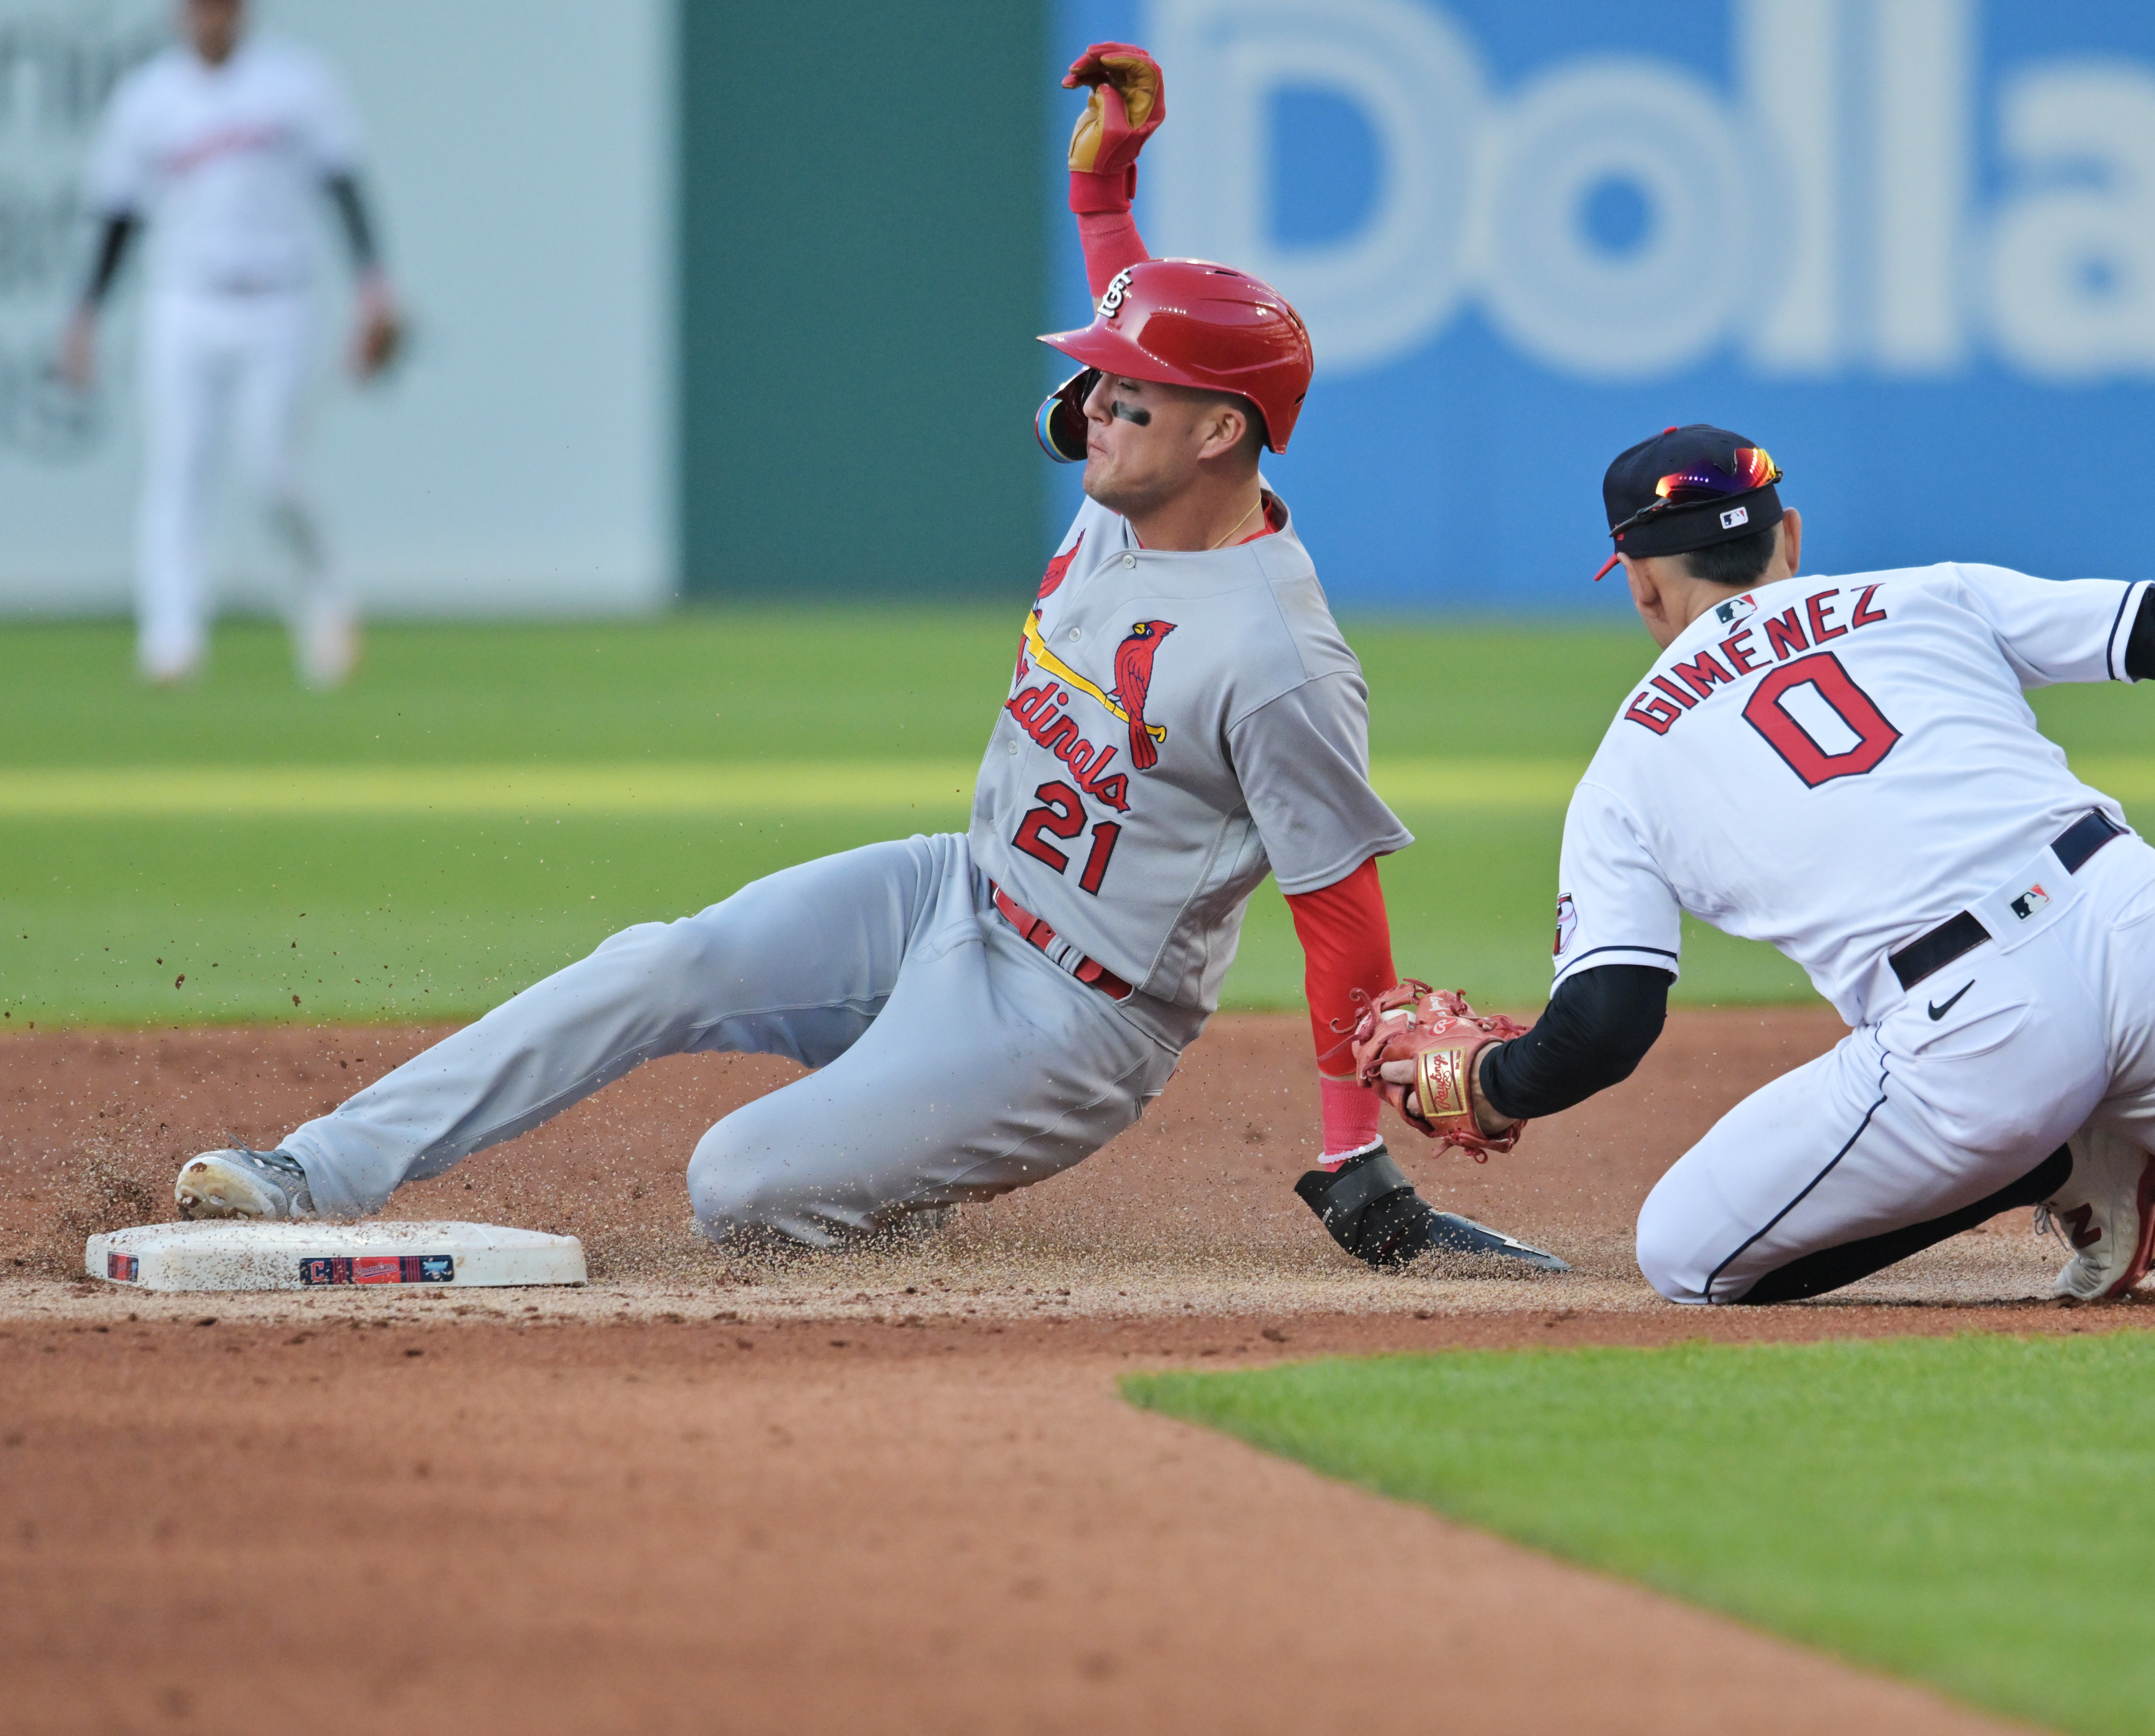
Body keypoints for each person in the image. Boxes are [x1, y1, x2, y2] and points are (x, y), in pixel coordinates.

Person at [168, 42, 1563, 1278]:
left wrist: (1351, 1154)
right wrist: (1103, 195)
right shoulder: (1133, 481)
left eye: (1127, 394)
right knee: (665, 960)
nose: (1091, 408)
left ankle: (897, 1165)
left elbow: (1338, 912)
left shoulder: (1275, 657)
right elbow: (1141, 331)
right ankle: (318, 1167)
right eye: (1097, 380)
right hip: (949, 890)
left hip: (1073, 1023)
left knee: (737, 1188)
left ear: (1218, 438)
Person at [1376, 424, 2155, 1317]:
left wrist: (1490, 1081)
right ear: (1789, 538)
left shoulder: (1627, 762)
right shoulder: (1924, 594)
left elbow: (1607, 1023)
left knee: (1685, 1254)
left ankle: (2063, 1154)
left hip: (1980, 1034)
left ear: (1635, 583)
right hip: (2137, 920)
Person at [57, 0, 404, 688]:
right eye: (199, 6)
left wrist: (374, 286)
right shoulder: (148, 98)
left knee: (272, 471)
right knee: (177, 468)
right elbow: (119, 213)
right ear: (178, 15)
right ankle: (172, 636)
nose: (212, 17)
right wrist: (87, 314)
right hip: (183, 300)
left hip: (279, 297)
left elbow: (343, 184)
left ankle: (324, 597)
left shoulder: (297, 84)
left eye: (223, 6)